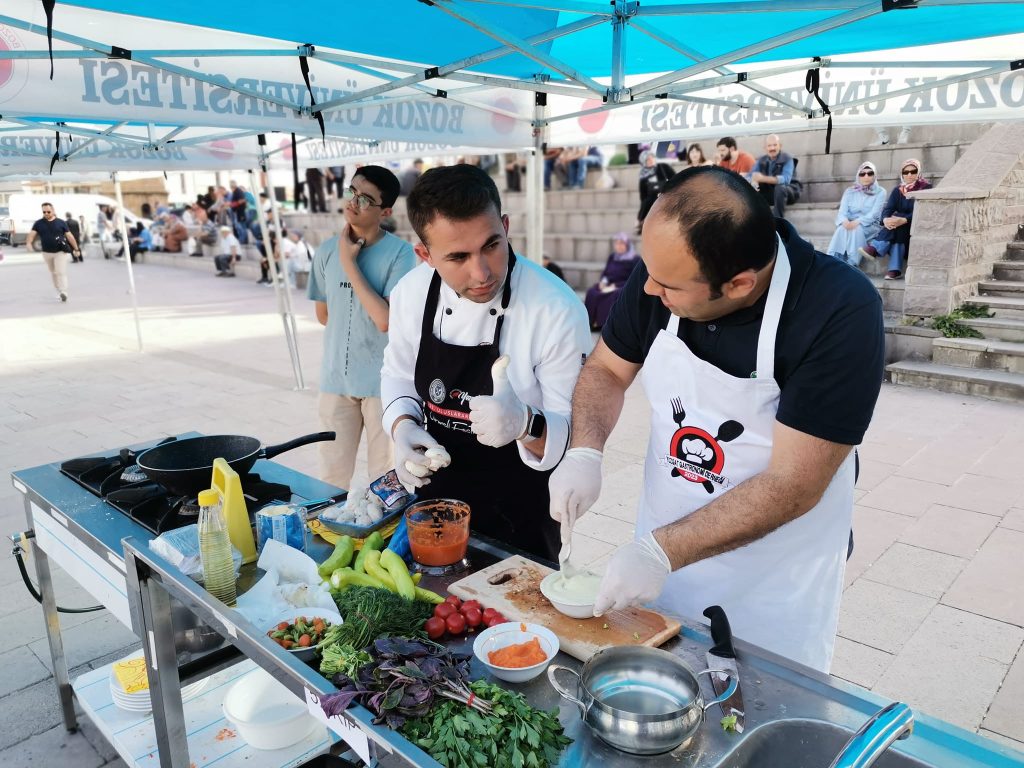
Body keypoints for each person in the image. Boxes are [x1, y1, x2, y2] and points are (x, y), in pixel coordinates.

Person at [548, 166, 885, 672]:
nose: (648, 290)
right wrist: (584, 451)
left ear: (740, 283)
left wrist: (660, 552)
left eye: (668, 286)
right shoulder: (664, 270)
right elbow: (606, 370)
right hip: (663, 542)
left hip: (773, 575)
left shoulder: (839, 310)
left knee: (757, 701)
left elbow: (794, 483)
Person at [381, 164, 591, 561]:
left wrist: (525, 423)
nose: (482, 272)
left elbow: (575, 438)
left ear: (506, 227)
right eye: (458, 257)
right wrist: (402, 426)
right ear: (425, 254)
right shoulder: (410, 294)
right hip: (435, 497)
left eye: (492, 245)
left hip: (521, 508)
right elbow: (398, 374)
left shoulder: (556, 309)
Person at [308, 166, 417, 491]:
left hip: (382, 383)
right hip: (335, 380)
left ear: (385, 211)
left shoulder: (400, 254)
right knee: (331, 477)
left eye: (366, 199)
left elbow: (385, 320)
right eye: (351, 192)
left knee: (385, 479)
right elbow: (324, 315)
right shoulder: (326, 250)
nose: (354, 202)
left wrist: (349, 263)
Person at [859, 158, 931, 280]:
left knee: (899, 221)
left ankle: (876, 248)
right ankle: (894, 270)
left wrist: (905, 219)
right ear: (902, 174)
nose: (909, 174)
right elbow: (887, 209)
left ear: (918, 172)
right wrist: (886, 220)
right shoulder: (898, 190)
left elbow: (924, 211)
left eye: (913, 171)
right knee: (897, 225)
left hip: (917, 226)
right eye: (906, 172)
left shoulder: (926, 188)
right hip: (900, 229)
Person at [826, 162, 886, 268]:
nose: (866, 176)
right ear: (858, 176)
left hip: (870, 225)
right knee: (841, 229)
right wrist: (844, 221)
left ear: (874, 175)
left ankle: (852, 262)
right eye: (862, 174)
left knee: (856, 229)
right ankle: (833, 259)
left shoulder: (881, 192)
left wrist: (857, 222)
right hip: (849, 223)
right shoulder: (850, 191)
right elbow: (842, 212)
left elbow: (874, 214)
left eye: (870, 173)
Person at [584, 232, 641, 331]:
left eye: (621, 243)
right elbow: (606, 272)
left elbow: (634, 278)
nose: (619, 246)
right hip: (609, 284)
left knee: (614, 295)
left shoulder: (635, 259)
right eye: (617, 243)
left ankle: (606, 326)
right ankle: (592, 322)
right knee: (592, 292)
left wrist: (616, 286)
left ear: (627, 245)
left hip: (623, 285)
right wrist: (603, 282)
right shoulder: (613, 257)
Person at [27, 202, 80, 302]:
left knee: (60, 271)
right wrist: (29, 243)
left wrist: (76, 249)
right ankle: (59, 290)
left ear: (53, 210)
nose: (46, 213)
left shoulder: (61, 222)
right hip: (47, 253)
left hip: (60, 252)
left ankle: (64, 292)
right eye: (44, 212)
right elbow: (32, 234)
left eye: (48, 211)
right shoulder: (38, 223)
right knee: (53, 272)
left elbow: (69, 236)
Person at [751, 134, 801, 218]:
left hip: (789, 191)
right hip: (771, 193)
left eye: (775, 145)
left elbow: (786, 179)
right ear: (765, 148)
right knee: (751, 189)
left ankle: (778, 221)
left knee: (780, 188)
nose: (772, 148)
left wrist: (762, 178)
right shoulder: (760, 160)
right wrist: (753, 182)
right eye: (769, 146)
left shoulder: (788, 158)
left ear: (780, 146)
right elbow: (751, 175)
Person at [636, 150, 676, 235]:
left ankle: (641, 222)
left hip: (668, 193)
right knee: (648, 201)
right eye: (648, 160)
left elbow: (676, 179)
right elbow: (643, 196)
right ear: (644, 163)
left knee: (653, 201)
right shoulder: (643, 177)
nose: (651, 160)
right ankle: (642, 222)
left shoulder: (663, 167)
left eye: (652, 158)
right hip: (652, 198)